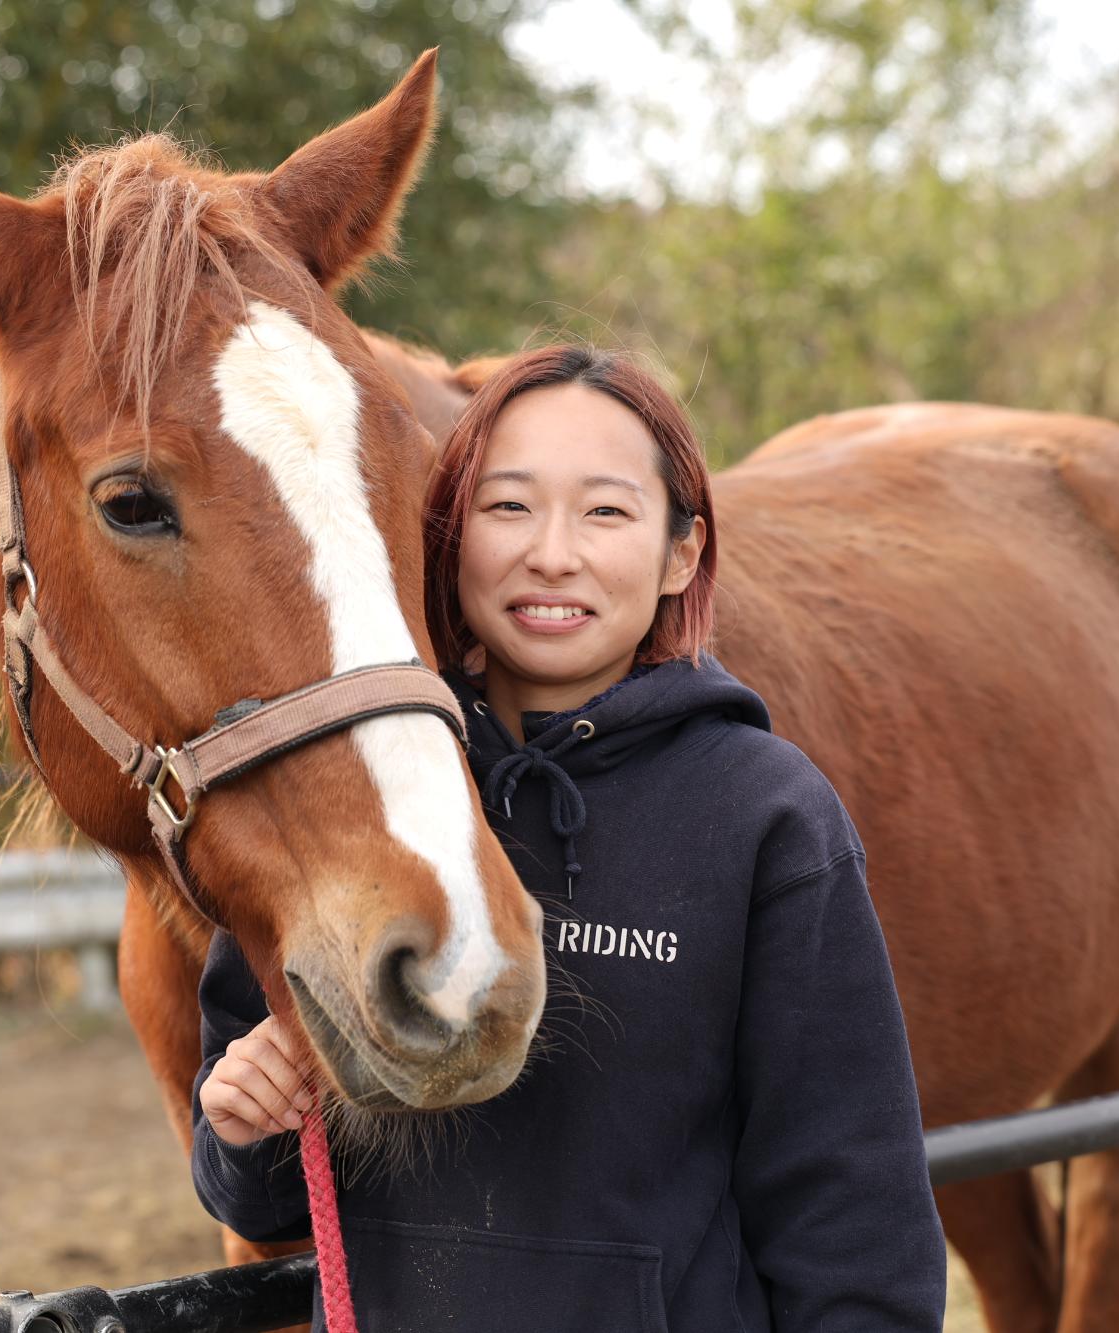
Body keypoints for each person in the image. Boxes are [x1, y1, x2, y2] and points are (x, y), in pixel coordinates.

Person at [189, 343, 947, 1331]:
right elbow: (259, 1200)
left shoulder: (765, 816)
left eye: (604, 511)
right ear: (447, 535)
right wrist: (244, 1123)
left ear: (680, 552)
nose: (552, 552)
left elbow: (853, 1217)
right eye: (507, 507)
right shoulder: (349, 793)